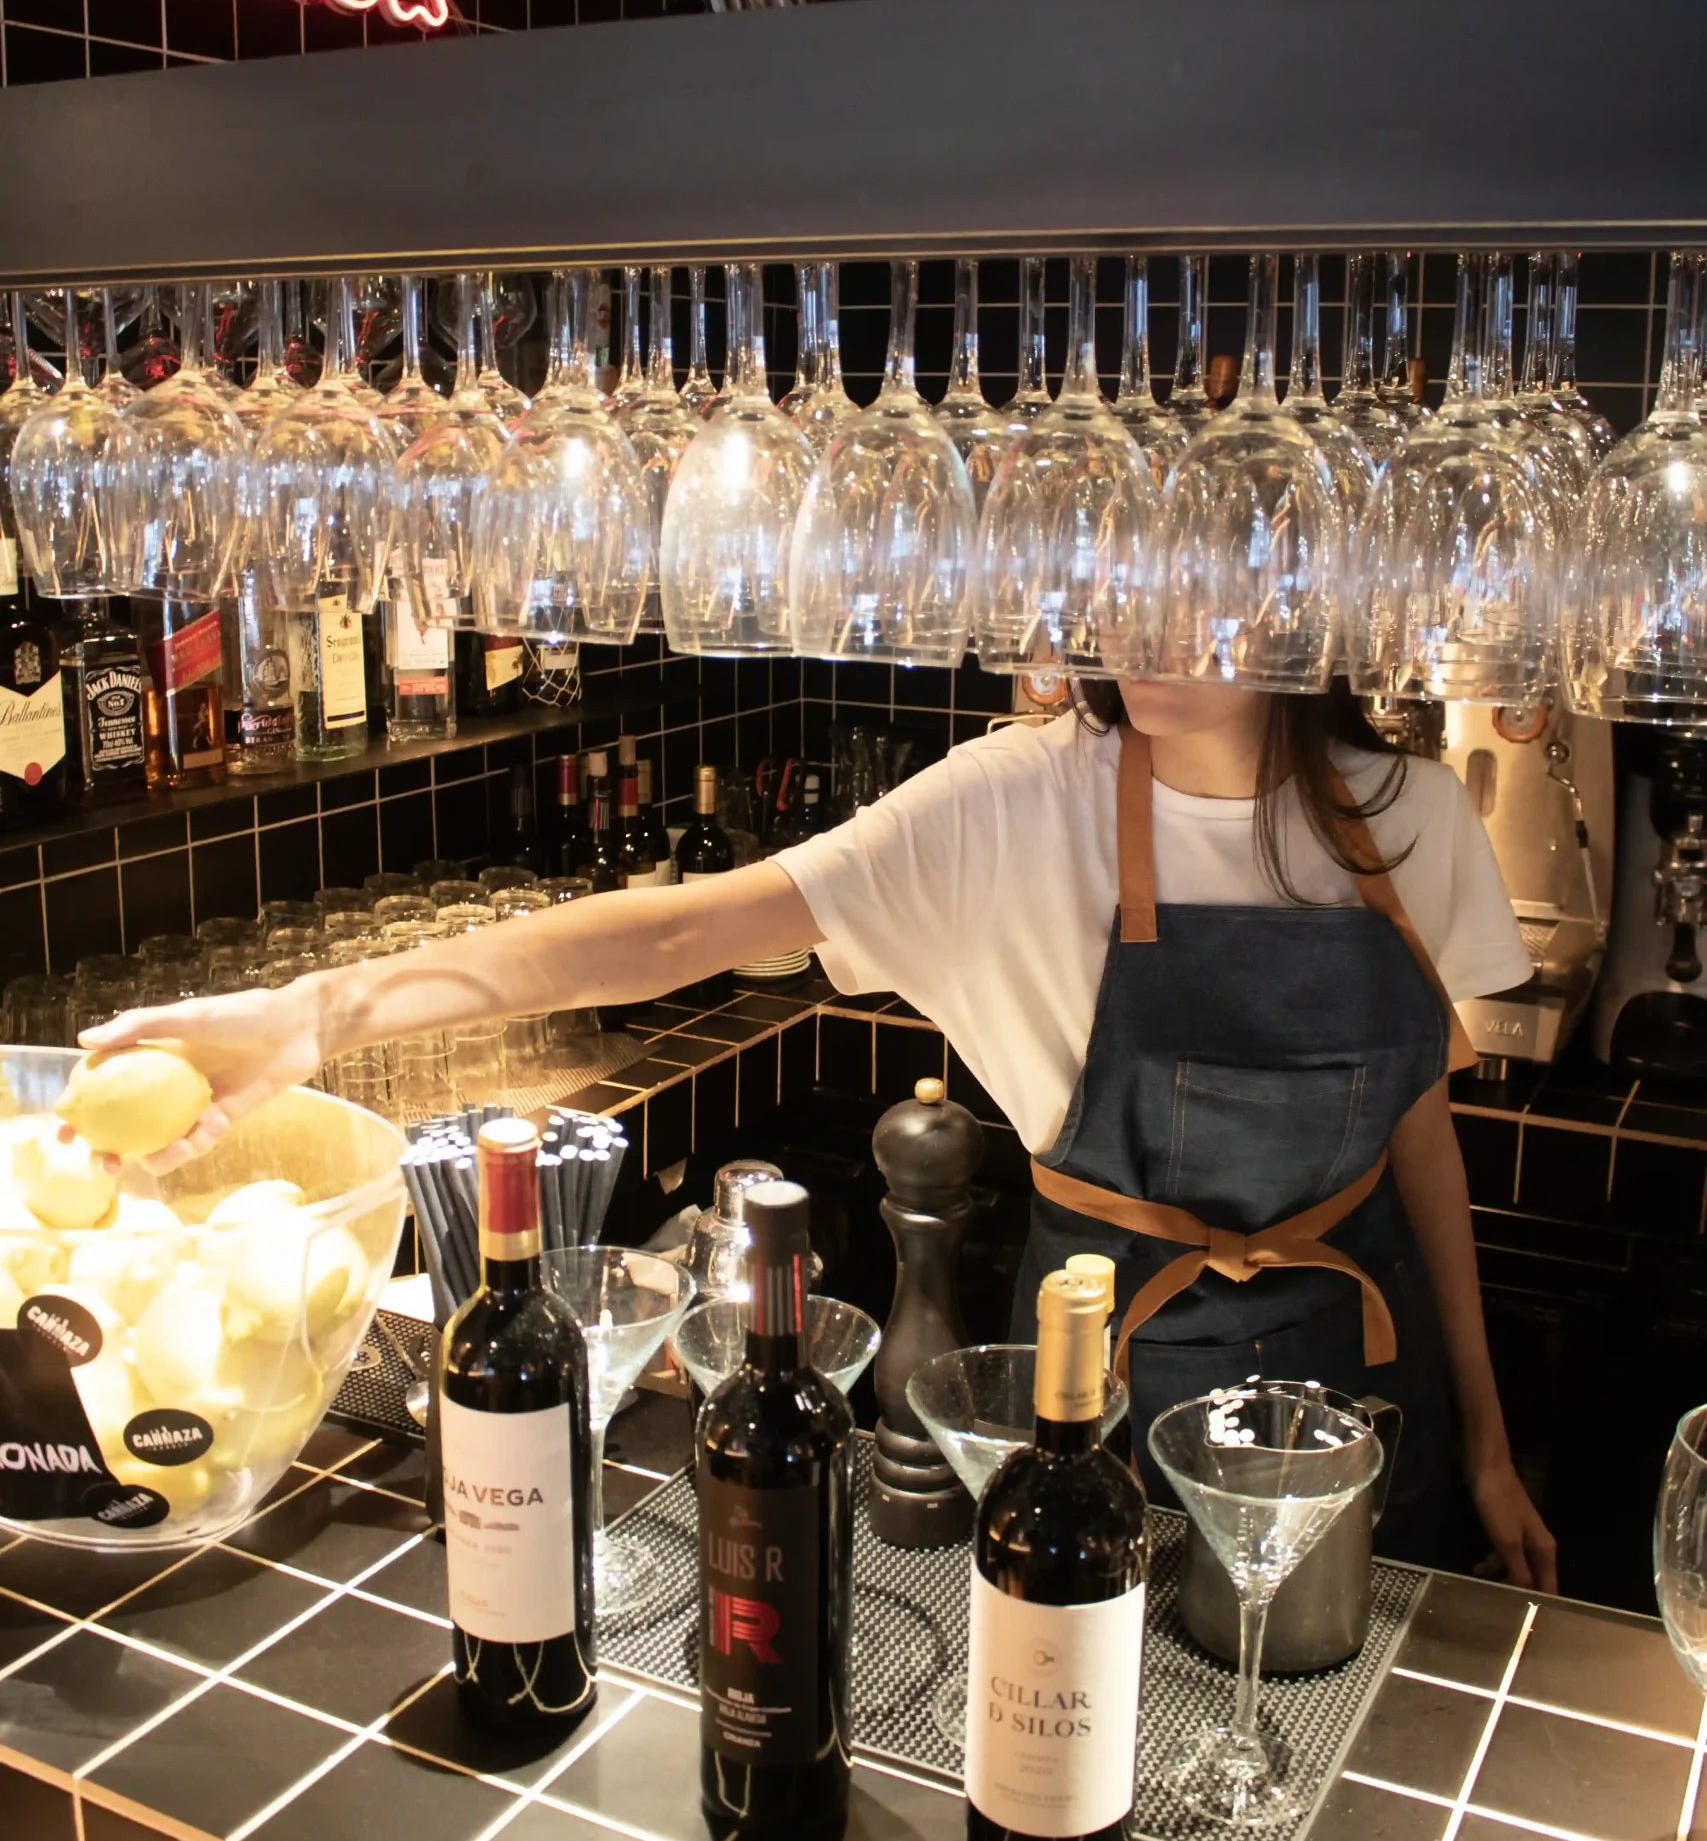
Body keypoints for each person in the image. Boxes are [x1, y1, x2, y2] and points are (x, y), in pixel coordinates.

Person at [90, 675, 1556, 1590]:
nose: (1145, 622)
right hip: (1096, 1406)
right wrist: (322, 1011)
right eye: (1116, 568)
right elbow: (667, 935)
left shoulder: (1410, 816)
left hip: (1357, 1404)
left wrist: (1492, 1440)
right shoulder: (1012, 804)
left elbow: (1416, 1136)